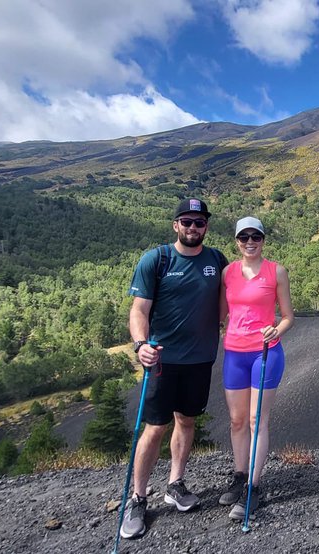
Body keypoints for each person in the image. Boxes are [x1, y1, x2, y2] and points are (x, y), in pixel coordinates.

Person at [119, 198, 228, 540]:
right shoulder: (157, 260)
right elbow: (139, 310)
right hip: (163, 360)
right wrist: (141, 345)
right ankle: (138, 498)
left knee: (187, 420)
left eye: (199, 222)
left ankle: (175, 485)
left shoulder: (216, 260)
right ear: (175, 225)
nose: (193, 228)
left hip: (200, 359)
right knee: (155, 427)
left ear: (206, 226)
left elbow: (231, 300)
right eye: (187, 221)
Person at [216, 216, 295, 520]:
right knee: (236, 421)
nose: (250, 242)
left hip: (265, 353)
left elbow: (288, 316)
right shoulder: (228, 272)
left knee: (256, 420)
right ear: (236, 241)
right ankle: (239, 477)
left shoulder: (277, 272)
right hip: (234, 353)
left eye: (256, 237)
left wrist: (278, 329)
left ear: (263, 239)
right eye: (243, 237)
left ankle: (253, 487)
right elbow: (222, 312)